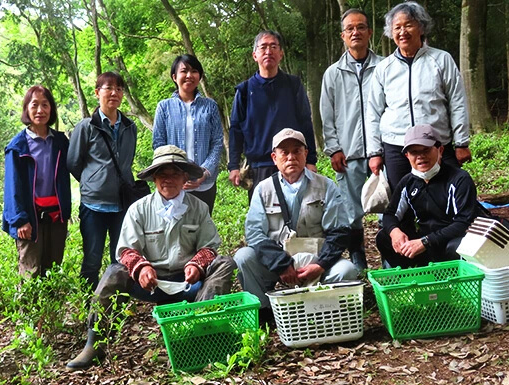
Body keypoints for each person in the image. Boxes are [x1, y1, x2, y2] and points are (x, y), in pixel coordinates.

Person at [66, 145, 235, 370]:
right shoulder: (139, 209)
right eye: (162, 174)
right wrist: (141, 267)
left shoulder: (199, 208)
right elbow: (126, 250)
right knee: (114, 272)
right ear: (154, 178)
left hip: (188, 282)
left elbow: (210, 247)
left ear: (185, 177)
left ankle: (204, 331)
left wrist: (197, 263)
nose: (168, 179)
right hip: (150, 282)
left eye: (175, 173)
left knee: (225, 263)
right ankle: (94, 343)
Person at [234, 128, 359, 325]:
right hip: (277, 261)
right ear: (274, 157)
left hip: (316, 259)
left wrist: (320, 265)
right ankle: (265, 313)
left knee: (347, 271)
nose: (291, 157)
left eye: (296, 151)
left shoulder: (326, 186)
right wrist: (282, 264)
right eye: (284, 152)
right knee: (243, 257)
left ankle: (322, 311)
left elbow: (339, 231)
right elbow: (254, 234)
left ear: (305, 154)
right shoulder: (263, 189)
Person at [366, 1, 472, 193]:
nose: (402, 31)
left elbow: (457, 102)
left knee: (447, 195)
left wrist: (462, 142)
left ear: (421, 27)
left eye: (408, 25)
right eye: (397, 27)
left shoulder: (441, 59)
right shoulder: (384, 68)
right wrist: (374, 153)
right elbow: (373, 112)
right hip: (397, 146)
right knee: (402, 201)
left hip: (436, 143)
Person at [320, 8, 383, 271]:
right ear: (343, 36)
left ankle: (390, 262)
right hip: (349, 155)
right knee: (351, 214)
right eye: (350, 29)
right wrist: (333, 148)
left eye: (360, 27)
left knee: (387, 210)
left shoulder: (384, 67)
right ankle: (359, 264)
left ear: (370, 32)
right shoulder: (332, 73)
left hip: (382, 153)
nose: (355, 32)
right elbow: (327, 114)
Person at [68, 72, 138, 289]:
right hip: (93, 206)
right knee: (92, 259)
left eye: (119, 89)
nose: (114, 93)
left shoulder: (129, 127)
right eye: (109, 88)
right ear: (97, 93)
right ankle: (89, 305)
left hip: (122, 204)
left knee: (120, 259)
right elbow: (73, 162)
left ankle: (114, 307)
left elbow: (127, 161)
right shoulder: (86, 127)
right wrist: (93, 182)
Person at [228, 30, 317, 201]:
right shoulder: (245, 90)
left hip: (293, 163)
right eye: (263, 47)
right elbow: (236, 130)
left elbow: (306, 122)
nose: (268, 51)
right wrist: (234, 166)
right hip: (259, 167)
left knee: (299, 216)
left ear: (281, 54)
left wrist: (310, 159)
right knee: (263, 219)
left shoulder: (293, 85)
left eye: (273, 46)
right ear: (255, 55)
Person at [376, 124, 481, 268]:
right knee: (384, 237)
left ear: (440, 150)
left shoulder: (459, 179)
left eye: (426, 150)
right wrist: (395, 232)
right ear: (407, 156)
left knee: (457, 247)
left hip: (449, 241)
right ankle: (412, 277)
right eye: (414, 152)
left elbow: (464, 223)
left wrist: (426, 242)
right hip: (424, 244)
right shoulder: (408, 182)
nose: (420, 157)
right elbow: (390, 214)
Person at [3, 85, 71, 278]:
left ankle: (51, 310)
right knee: (30, 273)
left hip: (56, 217)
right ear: (26, 109)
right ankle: (29, 310)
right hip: (29, 218)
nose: (40, 110)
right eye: (34, 105)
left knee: (53, 271)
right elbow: (12, 187)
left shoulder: (60, 142)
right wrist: (20, 220)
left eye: (45, 105)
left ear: (51, 109)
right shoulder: (17, 146)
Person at [152, 54, 224, 214]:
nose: (189, 75)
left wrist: (203, 172)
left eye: (194, 71)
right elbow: (159, 144)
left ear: (199, 76)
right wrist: (177, 174)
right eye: (184, 71)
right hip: (174, 184)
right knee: (174, 230)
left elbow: (217, 142)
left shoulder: (210, 106)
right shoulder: (164, 107)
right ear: (174, 77)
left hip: (204, 184)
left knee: (201, 230)